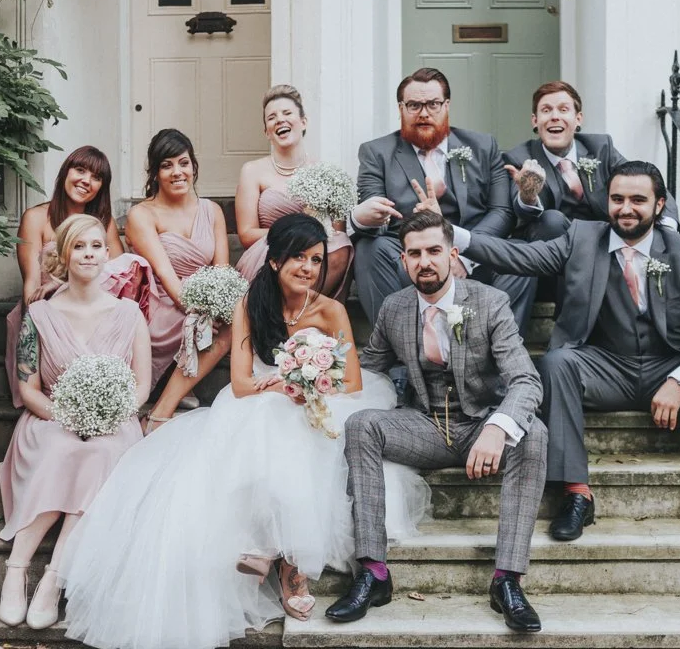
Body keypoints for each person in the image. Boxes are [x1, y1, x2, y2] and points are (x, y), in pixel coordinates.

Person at [59, 214, 429, 649]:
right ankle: (280, 554)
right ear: (274, 261)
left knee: (292, 425)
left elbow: (351, 383)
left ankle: (284, 560)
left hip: (321, 402)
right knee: (268, 417)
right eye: (298, 258)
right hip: (259, 398)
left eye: (316, 259)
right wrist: (279, 385)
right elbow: (240, 382)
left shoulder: (331, 311)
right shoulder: (250, 305)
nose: (308, 268)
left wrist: (305, 384)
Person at [461, 161, 680, 545]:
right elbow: (519, 257)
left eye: (638, 200)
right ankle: (576, 494)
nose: (626, 208)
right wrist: (454, 238)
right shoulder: (581, 239)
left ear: (659, 206)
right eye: (617, 199)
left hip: (668, 367)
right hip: (605, 369)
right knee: (556, 363)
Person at [327, 210, 547, 633]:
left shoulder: (488, 302)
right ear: (403, 261)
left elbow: (526, 380)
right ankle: (373, 573)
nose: (424, 261)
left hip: (481, 423)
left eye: (433, 251)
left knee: (533, 433)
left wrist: (498, 429)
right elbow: (367, 367)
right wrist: (314, 371)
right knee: (362, 425)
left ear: (452, 253)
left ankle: (508, 580)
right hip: (424, 426)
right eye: (414, 253)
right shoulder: (394, 308)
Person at [0, 214, 152, 630]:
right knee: (65, 446)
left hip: (113, 422)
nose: (89, 253)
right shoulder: (39, 314)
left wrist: (107, 415)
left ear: (107, 253)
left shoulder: (130, 314)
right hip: (50, 419)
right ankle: (17, 568)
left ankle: (53, 577)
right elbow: (28, 389)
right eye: (79, 246)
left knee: (102, 452)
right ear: (64, 254)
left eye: (97, 245)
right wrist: (69, 415)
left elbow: (141, 388)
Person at [349, 67, 536, 332]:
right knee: (370, 250)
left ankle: (496, 355)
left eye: (433, 104)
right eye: (414, 105)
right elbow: (377, 216)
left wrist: (462, 256)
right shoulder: (376, 153)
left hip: (472, 258)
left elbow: (501, 212)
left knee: (519, 254)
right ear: (400, 108)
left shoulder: (483, 146)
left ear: (446, 105)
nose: (424, 113)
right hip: (411, 260)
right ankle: (398, 356)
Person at [4, 146, 150, 407]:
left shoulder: (102, 223)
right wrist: (40, 322)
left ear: (101, 187)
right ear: (65, 172)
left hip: (92, 307)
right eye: (80, 170)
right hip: (44, 310)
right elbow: (31, 285)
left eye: (96, 177)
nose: (86, 180)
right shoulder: (36, 218)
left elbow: (119, 273)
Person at [124, 129, 231, 431]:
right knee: (200, 324)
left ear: (194, 166)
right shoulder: (141, 215)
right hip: (161, 301)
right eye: (167, 165)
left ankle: (162, 408)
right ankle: (169, 401)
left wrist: (219, 308)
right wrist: (201, 312)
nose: (177, 172)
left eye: (183, 163)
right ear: (155, 173)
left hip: (202, 298)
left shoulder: (212, 211)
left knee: (237, 319)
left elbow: (222, 271)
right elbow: (165, 276)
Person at [504, 81, 679, 242]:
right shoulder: (520, 158)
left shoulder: (601, 147)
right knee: (551, 221)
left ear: (578, 119)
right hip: (551, 249)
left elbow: (644, 181)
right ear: (535, 121)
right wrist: (528, 195)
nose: (554, 116)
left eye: (563, 110)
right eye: (546, 110)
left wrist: (667, 229)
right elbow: (522, 214)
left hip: (603, 242)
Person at [234, 84, 354, 298]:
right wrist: (294, 234)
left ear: (303, 122)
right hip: (269, 253)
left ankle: (303, 315)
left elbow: (337, 230)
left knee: (341, 244)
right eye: (271, 117)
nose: (279, 119)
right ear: (267, 132)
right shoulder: (252, 171)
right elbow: (246, 234)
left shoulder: (324, 172)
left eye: (287, 113)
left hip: (314, 259)